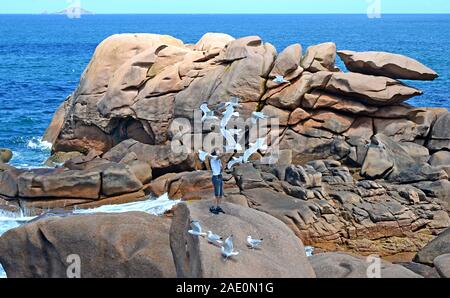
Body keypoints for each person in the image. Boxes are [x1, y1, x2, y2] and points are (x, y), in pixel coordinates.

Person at [209, 149, 225, 215]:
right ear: (215, 153)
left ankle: (218, 207)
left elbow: (221, 169)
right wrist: (224, 154)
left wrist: (222, 166)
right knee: (216, 195)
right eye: (218, 151)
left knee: (220, 194)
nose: (219, 151)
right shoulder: (213, 158)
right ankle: (213, 208)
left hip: (220, 176)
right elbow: (218, 157)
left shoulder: (218, 160)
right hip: (215, 177)